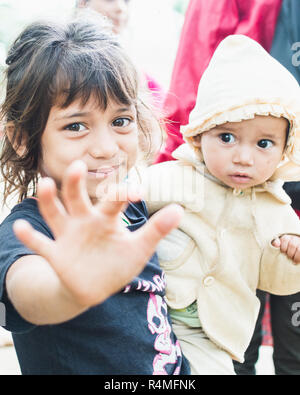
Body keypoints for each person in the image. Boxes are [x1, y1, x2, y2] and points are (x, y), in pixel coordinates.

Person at [0, 16, 190, 375]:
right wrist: (69, 289)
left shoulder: (133, 210)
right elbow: (29, 294)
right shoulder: (28, 231)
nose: (105, 148)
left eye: (121, 121)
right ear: (22, 138)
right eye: (75, 126)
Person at [139, 34, 300, 374]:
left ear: (285, 149)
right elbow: (123, 195)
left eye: (264, 143)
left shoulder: (276, 209)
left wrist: (292, 254)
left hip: (210, 333)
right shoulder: (176, 178)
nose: (243, 157)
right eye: (226, 138)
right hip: (150, 310)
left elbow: (278, 280)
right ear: (198, 135)